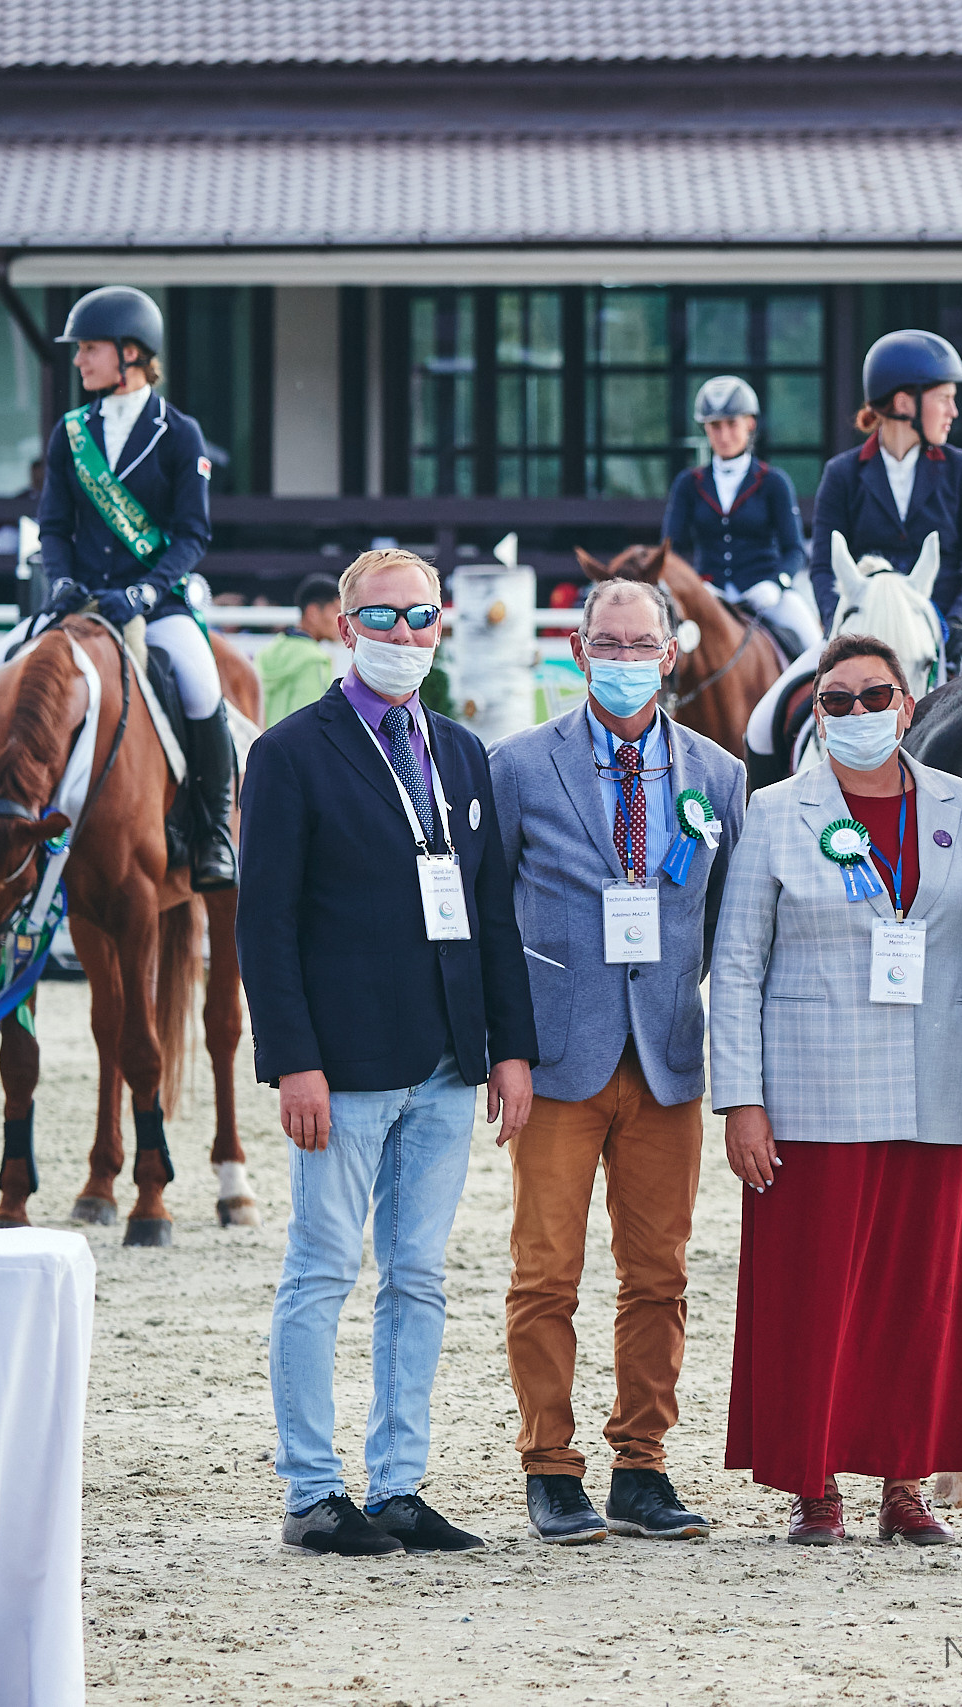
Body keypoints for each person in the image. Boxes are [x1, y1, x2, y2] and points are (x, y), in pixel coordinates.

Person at [237, 546, 538, 1559]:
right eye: (384, 617)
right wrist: (292, 1060)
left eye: (420, 618)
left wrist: (510, 1049)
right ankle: (314, 1492)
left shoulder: (459, 752)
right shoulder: (287, 753)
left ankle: (400, 1483)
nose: (404, 635)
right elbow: (264, 926)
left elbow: (491, 913)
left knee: (418, 1276)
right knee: (322, 1269)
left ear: (441, 624)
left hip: (450, 1060)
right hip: (343, 1062)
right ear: (342, 624)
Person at [712, 633, 962, 1546]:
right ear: (815, 713)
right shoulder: (777, 812)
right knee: (812, 1297)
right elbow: (736, 966)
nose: (857, 714)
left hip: (938, 1091)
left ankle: (906, 1484)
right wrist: (741, 1096)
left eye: (874, 696)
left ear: (908, 704)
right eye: (837, 700)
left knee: (922, 1302)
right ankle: (814, 1487)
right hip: (811, 1093)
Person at [487, 578, 747, 1546]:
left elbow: (731, 927)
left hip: (669, 1055)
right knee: (545, 1273)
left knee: (660, 1276)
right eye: (608, 640)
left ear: (671, 653)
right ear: (577, 646)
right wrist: (503, 1048)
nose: (625, 656)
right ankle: (550, 1466)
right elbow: (485, 920)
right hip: (557, 1058)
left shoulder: (718, 776)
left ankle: (642, 1463)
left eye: (642, 643)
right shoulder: (516, 765)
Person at [0, 287, 236, 887]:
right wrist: (60, 580)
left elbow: (192, 535)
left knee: (200, 684)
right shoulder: (70, 434)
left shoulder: (179, 433)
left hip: (153, 601)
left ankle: (214, 833)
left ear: (130, 353)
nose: (80, 360)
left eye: (90, 349)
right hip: (77, 601)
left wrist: (143, 592)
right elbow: (54, 526)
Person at [743, 331, 962, 777]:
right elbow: (824, 563)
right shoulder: (843, 474)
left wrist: (961, 620)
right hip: (858, 634)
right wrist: (840, 622)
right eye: (944, 398)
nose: (954, 410)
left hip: (946, 635)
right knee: (762, 723)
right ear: (904, 403)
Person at [661, 376, 820, 660]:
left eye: (731, 424)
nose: (723, 435)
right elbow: (670, 549)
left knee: (816, 647)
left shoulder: (774, 482)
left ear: (750, 424)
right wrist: (695, 586)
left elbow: (794, 549)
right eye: (715, 426)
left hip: (764, 593)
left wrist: (777, 583)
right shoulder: (689, 483)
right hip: (709, 596)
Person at [258, 572, 341, 726]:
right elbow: (311, 725)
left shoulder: (268, 651)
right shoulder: (315, 660)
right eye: (336, 610)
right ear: (313, 613)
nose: (341, 620)